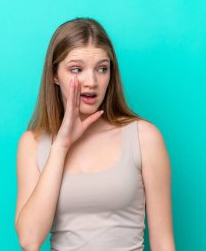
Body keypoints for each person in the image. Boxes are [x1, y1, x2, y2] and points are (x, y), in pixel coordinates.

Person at [14, 17, 175, 251]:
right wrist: (61, 146)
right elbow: (29, 240)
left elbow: (163, 243)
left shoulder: (144, 138)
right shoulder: (33, 144)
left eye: (102, 69)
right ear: (54, 75)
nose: (91, 82)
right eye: (76, 69)